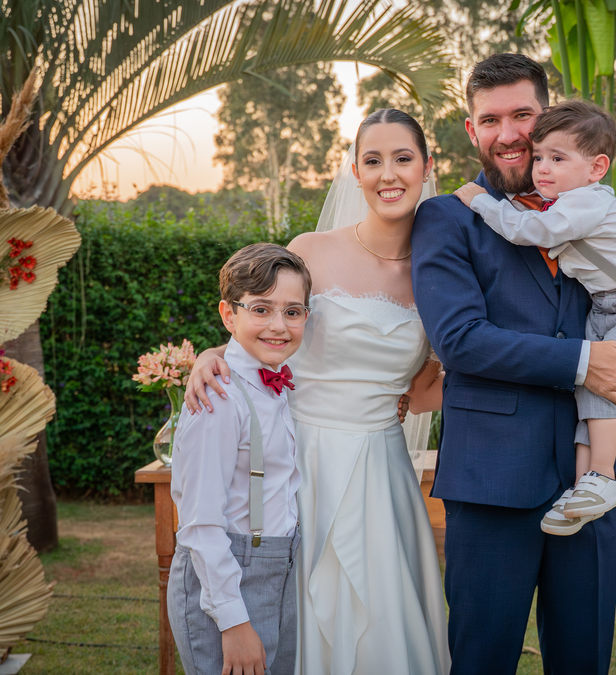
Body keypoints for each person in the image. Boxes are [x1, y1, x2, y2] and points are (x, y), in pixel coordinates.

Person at [412, 54, 616, 675]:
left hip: (591, 484)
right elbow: (460, 341)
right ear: (471, 130)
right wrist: (585, 362)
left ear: (547, 117)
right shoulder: (448, 216)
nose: (508, 133)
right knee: (482, 661)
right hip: (492, 480)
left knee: (584, 660)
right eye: (490, 120)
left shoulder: (589, 201)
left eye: (522, 116)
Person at [185, 109, 450, 675]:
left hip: (381, 468)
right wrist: (210, 355)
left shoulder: (440, 270)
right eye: (372, 160)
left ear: (428, 167)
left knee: (382, 622)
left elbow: (428, 389)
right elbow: (266, 326)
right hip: (300, 458)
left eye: (402, 158)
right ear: (355, 171)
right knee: (296, 612)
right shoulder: (313, 248)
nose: (388, 174)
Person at [453, 99, 616, 530]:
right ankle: (584, 487)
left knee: (602, 386)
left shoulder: (585, 202)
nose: (542, 168)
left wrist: (482, 203)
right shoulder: (566, 203)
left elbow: (528, 230)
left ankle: (604, 476)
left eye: (557, 159)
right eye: (539, 157)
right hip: (613, 302)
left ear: (597, 168)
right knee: (589, 388)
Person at [168, 243, 308, 675]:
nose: (279, 326)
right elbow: (199, 524)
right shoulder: (219, 399)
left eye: (293, 311)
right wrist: (233, 622)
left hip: (281, 569)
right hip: (228, 579)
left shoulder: (281, 383)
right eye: (261, 310)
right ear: (229, 315)